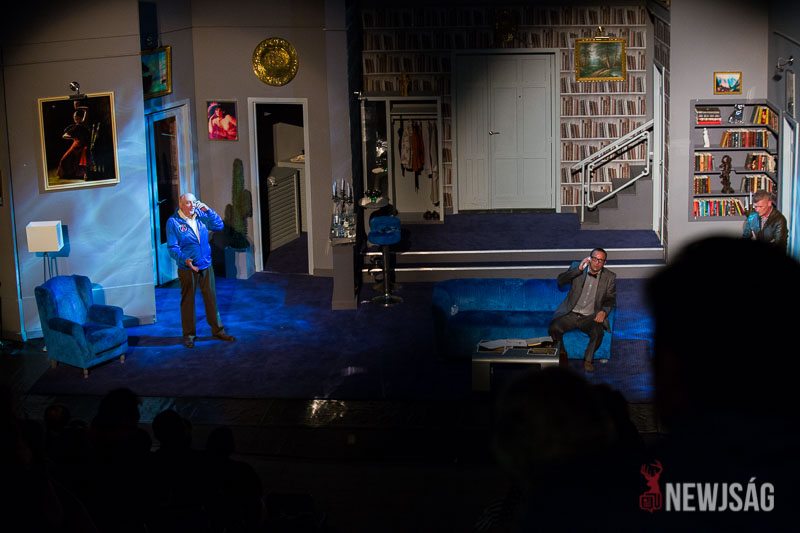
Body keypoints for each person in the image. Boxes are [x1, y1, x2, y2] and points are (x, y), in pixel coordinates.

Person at [167, 193, 235, 348]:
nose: (192, 206)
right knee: (188, 301)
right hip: (187, 268)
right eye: (188, 203)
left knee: (211, 299)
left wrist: (208, 210)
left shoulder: (200, 215)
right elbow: (172, 247)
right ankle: (189, 335)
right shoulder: (173, 222)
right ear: (181, 204)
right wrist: (185, 259)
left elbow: (219, 225)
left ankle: (218, 330)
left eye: (194, 202)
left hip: (205, 264)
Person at [548, 248, 616, 372]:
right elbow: (561, 281)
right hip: (571, 313)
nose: (597, 263)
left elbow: (611, 298)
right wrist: (578, 270)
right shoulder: (577, 266)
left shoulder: (609, 277)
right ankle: (562, 356)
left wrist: (604, 311)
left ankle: (588, 360)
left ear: (604, 263)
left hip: (590, 316)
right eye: (595, 259)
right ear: (589, 259)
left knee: (598, 333)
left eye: (601, 260)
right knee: (553, 328)